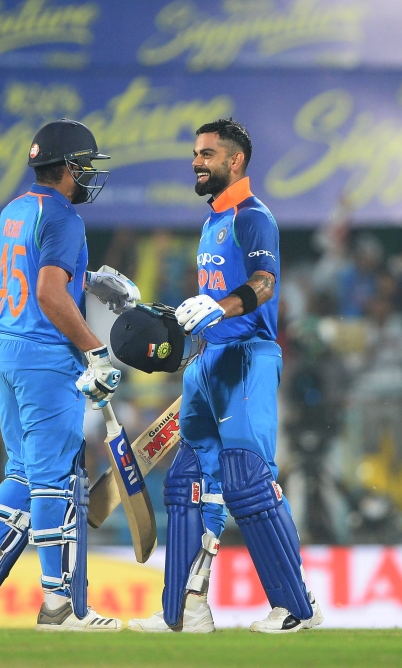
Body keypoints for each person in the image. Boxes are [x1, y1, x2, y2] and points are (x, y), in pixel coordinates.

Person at [129, 119, 322, 634]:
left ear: (234, 161)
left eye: (207, 154)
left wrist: (217, 306)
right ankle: (184, 610)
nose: (196, 162)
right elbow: (206, 309)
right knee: (187, 482)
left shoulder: (254, 218)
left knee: (245, 481)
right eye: (195, 153)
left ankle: (296, 607)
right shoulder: (211, 221)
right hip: (208, 361)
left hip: (247, 359)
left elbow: (263, 282)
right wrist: (149, 316)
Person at [0, 118, 139, 632]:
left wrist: (91, 279)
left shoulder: (15, 210)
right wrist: (96, 350)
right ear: (68, 168)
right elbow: (50, 295)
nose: (90, 177)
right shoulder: (65, 218)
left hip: (3, 346)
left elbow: (36, 275)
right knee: (54, 481)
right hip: (42, 354)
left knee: (23, 472)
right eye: (85, 167)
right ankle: (60, 605)